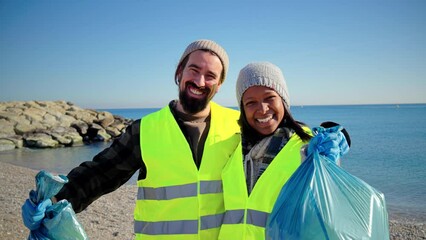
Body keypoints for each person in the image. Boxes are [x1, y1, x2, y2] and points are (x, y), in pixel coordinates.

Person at [22, 39, 241, 239]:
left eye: (211, 75)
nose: (200, 81)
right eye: (194, 70)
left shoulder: (239, 126)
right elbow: (99, 174)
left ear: (220, 84)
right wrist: (52, 200)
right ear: (180, 72)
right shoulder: (145, 130)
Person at [218, 62, 350, 239]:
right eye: (251, 102)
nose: (262, 109)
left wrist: (339, 139)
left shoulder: (308, 150)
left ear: (283, 101)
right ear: (242, 109)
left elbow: (327, 210)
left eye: (269, 98)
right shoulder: (234, 149)